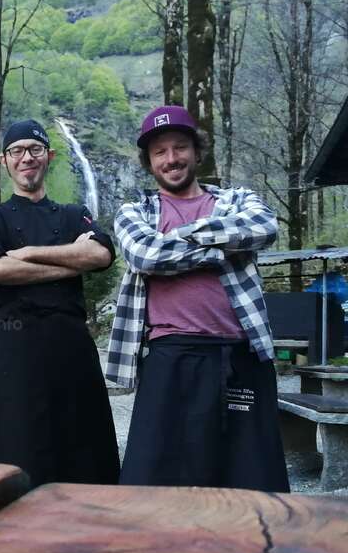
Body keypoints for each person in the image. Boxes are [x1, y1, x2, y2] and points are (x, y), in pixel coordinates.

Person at [105, 105, 289, 492]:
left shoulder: (237, 200)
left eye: (179, 147)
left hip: (241, 355)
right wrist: (221, 248)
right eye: (160, 152)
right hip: (170, 356)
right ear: (149, 161)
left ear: (197, 151)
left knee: (252, 480)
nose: (171, 159)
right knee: (154, 480)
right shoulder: (135, 210)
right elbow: (145, 255)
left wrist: (183, 236)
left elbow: (262, 227)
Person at [0, 119, 120, 487]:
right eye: (17, 151)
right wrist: (68, 264)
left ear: (48, 156)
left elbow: (100, 255)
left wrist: (30, 253)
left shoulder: (73, 213)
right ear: (5, 160)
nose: (27, 158)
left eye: (35, 149)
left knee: (85, 455)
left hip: (71, 348)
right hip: (14, 348)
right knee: (14, 456)